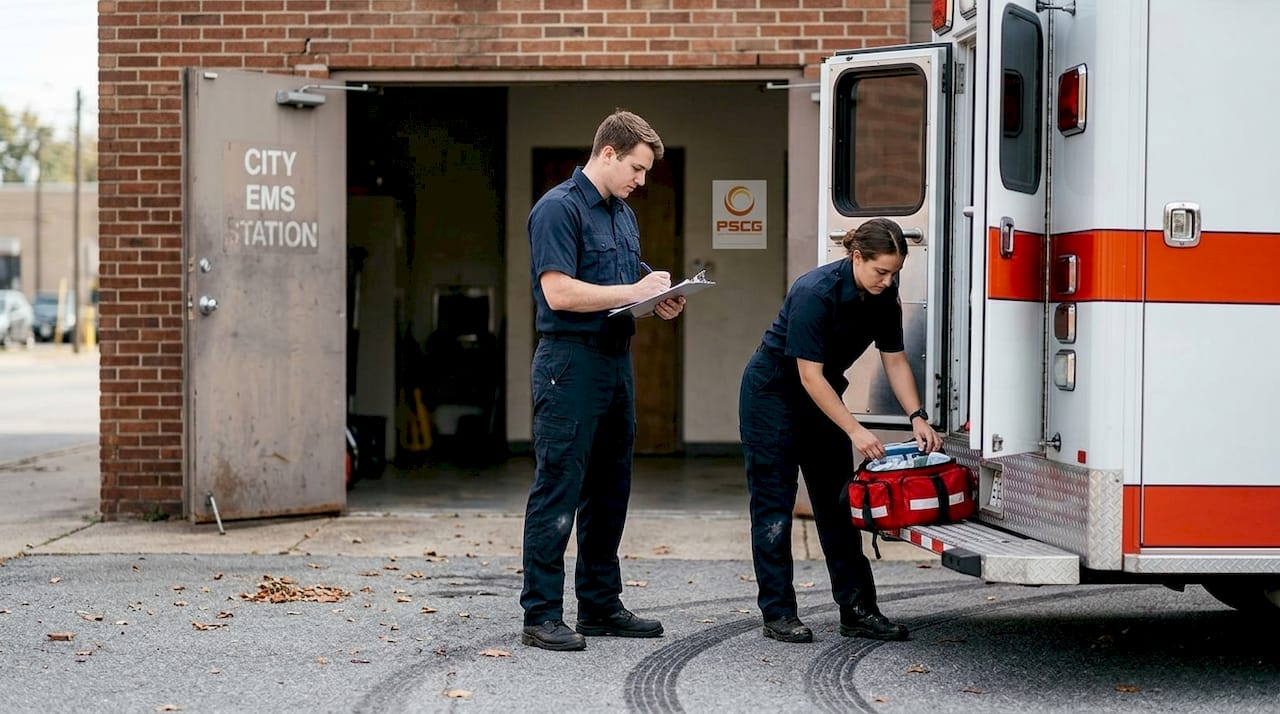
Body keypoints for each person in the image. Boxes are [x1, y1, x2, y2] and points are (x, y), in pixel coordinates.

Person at [520, 110, 686, 652]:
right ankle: (542, 614)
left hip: (616, 358)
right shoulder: (557, 209)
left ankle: (598, 606)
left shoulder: (622, 215)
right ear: (608, 153)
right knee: (559, 487)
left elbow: (621, 283)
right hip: (568, 363)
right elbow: (561, 294)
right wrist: (633, 292)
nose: (642, 181)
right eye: (637, 169)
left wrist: (655, 293)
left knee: (610, 489)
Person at [738, 217, 943, 644]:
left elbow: (895, 359)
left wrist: (917, 415)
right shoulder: (814, 292)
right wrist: (854, 430)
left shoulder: (884, 296)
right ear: (856, 257)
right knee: (773, 508)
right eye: (880, 271)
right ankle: (778, 614)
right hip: (773, 396)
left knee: (838, 507)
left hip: (822, 400)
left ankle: (858, 610)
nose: (887, 281)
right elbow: (809, 376)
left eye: (894, 273)